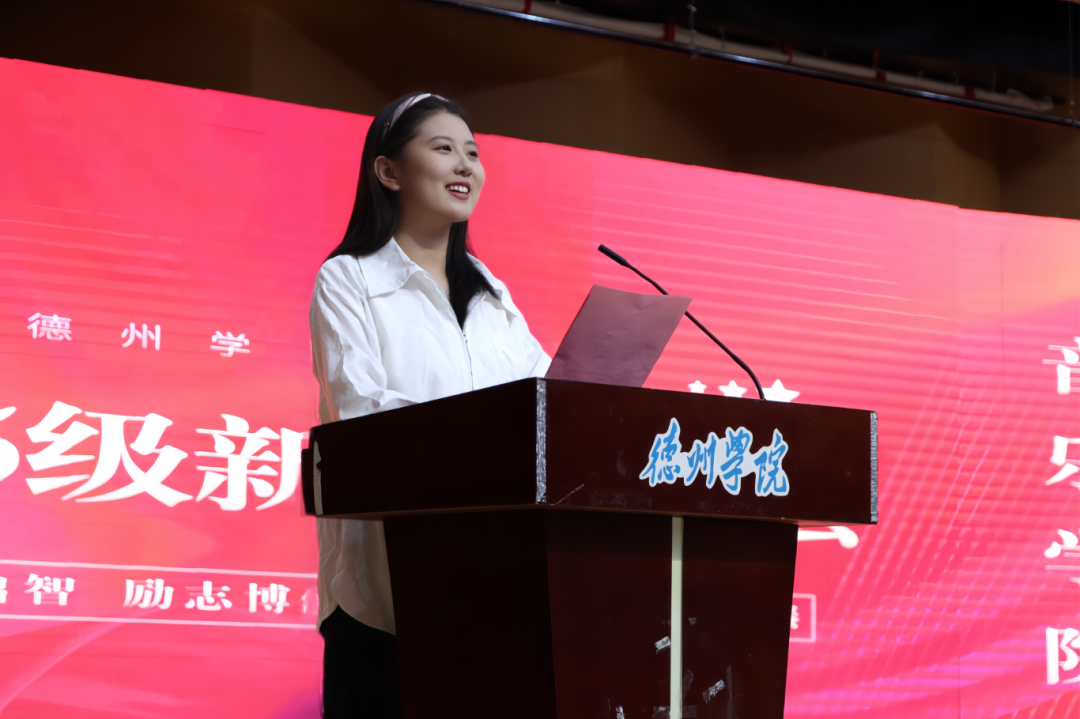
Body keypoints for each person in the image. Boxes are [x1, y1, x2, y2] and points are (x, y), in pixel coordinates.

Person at [308, 92, 551, 717]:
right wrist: (489, 431)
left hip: (491, 589)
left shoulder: (492, 293)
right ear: (389, 171)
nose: (466, 165)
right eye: (444, 149)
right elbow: (363, 413)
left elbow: (549, 402)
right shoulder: (349, 278)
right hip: (383, 597)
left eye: (473, 152)